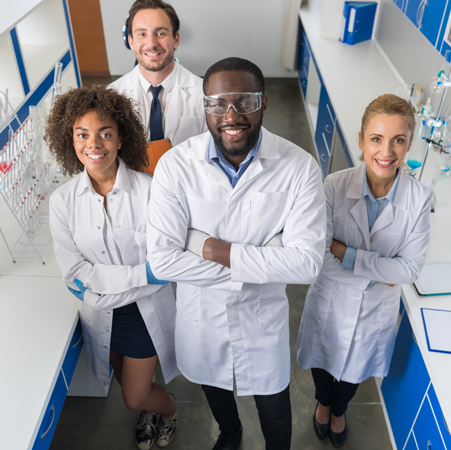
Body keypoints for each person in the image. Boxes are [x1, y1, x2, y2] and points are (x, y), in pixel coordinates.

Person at [146, 57, 326, 450]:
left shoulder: (299, 168)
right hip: (202, 317)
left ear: (263, 103)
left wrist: (206, 246)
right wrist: (264, 258)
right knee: (214, 388)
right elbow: (161, 260)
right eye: (217, 103)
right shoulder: (176, 166)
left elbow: (307, 263)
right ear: (204, 106)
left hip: (262, 321)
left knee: (275, 406)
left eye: (244, 101)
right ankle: (231, 434)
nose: (231, 115)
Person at [296, 93, 432, 448]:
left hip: (374, 313)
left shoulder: (419, 200)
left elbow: (410, 269)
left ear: (408, 145)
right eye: (376, 139)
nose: (386, 152)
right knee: (324, 364)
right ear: (361, 140)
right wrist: (381, 272)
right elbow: (320, 257)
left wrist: (346, 253)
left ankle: (338, 411)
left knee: (354, 374)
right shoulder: (333, 187)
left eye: (398, 141)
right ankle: (323, 405)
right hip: (331, 300)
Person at [47, 85, 179, 450]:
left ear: (121, 138)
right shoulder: (62, 202)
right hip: (102, 314)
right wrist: (140, 275)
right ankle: (152, 410)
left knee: (134, 397)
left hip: (142, 313)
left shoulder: (152, 192)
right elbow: (74, 272)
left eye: (105, 134)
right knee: (124, 381)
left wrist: (100, 283)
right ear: (69, 140)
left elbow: (164, 266)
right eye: (82, 135)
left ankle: (167, 411)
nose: (95, 144)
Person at [109, 0, 206, 147]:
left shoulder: (204, 93)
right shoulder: (111, 96)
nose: (151, 44)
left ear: (176, 39)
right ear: (131, 41)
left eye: (160, 33)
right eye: (142, 34)